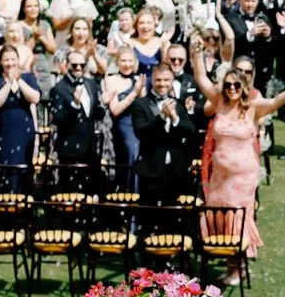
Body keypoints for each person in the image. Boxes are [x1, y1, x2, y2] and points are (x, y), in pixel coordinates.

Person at [197, 67, 285, 283]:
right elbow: (201, 78)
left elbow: (275, 102)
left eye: (236, 85)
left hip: (243, 177)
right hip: (220, 174)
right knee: (221, 215)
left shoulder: (253, 106)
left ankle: (240, 267)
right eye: (228, 85)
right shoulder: (220, 104)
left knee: (238, 216)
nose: (232, 88)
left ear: (243, 86)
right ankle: (231, 264)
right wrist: (196, 53)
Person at [133, 64, 201, 204]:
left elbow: (191, 130)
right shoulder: (141, 104)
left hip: (176, 170)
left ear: (172, 81)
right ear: (152, 80)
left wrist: (175, 118)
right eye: (158, 80)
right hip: (151, 169)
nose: (162, 84)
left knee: (173, 217)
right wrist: (162, 117)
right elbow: (140, 131)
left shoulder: (178, 104)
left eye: (166, 80)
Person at [0, 43, 41, 185]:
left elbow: (35, 98)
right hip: (2, 129)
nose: (10, 63)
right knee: (3, 166)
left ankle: (24, 200)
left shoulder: (28, 77)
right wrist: (8, 82)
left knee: (23, 166)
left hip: (24, 129)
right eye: (6, 60)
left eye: (13, 59)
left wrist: (18, 80)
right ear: (1, 62)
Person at [47, 51, 106, 180]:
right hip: (69, 148)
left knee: (89, 193)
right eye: (74, 65)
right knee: (68, 192)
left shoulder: (91, 84)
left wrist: (104, 104)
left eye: (82, 65)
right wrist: (75, 105)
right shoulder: (59, 88)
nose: (78, 68)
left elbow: (96, 114)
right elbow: (58, 118)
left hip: (90, 148)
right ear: (66, 65)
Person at [104, 47, 146, 186]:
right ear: (117, 62)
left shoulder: (138, 79)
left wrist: (140, 90)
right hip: (122, 126)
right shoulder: (111, 80)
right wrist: (134, 93)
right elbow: (115, 110)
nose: (127, 64)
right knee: (131, 153)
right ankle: (126, 193)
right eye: (123, 60)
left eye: (130, 61)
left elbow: (144, 105)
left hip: (139, 125)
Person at [129, 7, 168, 74]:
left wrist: (164, 48)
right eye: (141, 23)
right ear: (136, 26)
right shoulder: (129, 43)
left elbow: (167, 69)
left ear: (154, 25)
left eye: (149, 23)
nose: (145, 26)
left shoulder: (163, 42)